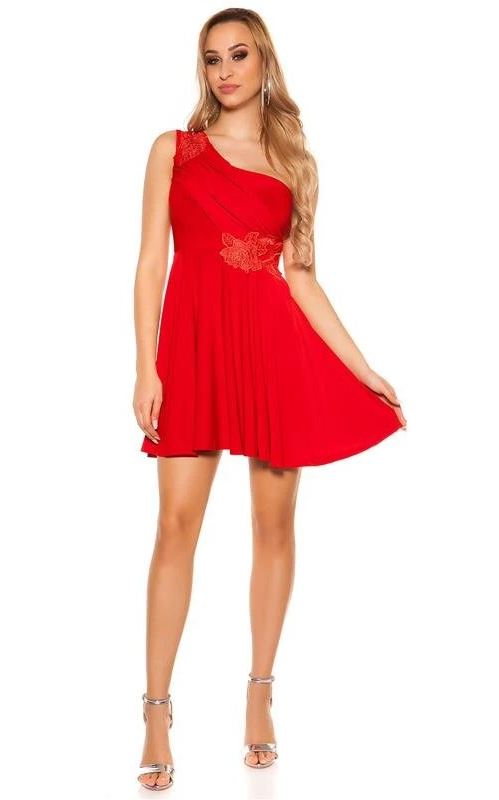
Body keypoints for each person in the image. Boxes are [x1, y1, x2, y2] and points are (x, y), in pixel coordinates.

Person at [131, 8, 407, 791]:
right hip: (192, 349)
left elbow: (303, 279)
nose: (225, 71)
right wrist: (146, 367)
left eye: (239, 55)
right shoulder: (174, 150)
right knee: (175, 527)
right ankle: (156, 710)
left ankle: (259, 694)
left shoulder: (293, 162)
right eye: (212, 58)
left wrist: (362, 368)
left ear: (264, 62)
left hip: (271, 352)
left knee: (273, 526)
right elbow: (150, 263)